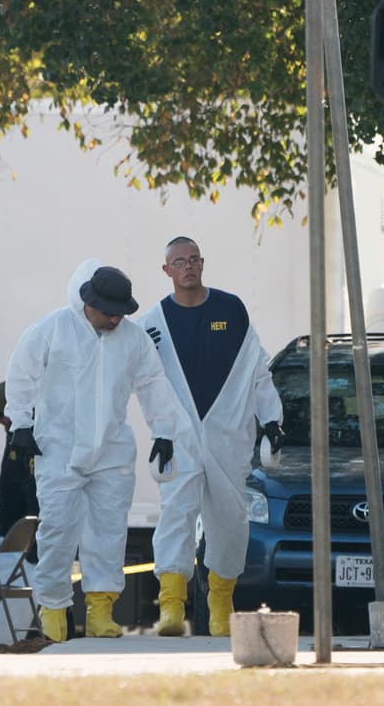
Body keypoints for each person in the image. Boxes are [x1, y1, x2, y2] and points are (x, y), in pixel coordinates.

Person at [4, 259, 187, 643]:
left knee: (108, 532)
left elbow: (153, 382)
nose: (116, 319)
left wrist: (164, 431)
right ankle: (53, 609)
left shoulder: (132, 338)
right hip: (59, 449)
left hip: (112, 452)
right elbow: (21, 371)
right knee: (56, 532)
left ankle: (101, 610)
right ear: (88, 301)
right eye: (109, 312)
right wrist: (20, 424)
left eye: (122, 312)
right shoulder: (54, 329)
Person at [141, 237, 284, 636]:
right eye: (178, 262)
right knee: (175, 517)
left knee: (230, 521)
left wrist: (271, 419)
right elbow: (143, 381)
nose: (187, 267)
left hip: (227, 438)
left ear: (202, 263)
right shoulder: (151, 324)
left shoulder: (231, 310)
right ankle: (171, 606)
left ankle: (220, 603)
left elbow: (257, 369)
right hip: (179, 441)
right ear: (166, 270)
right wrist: (162, 431)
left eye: (193, 260)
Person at [0, 381, 40, 547]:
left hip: (36, 527)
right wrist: (1, 520)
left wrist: (36, 529)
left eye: (0, 414)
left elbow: (34, 486)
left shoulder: (34, 433)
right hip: (19, 527)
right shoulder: (14, 434)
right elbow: (7, 482)